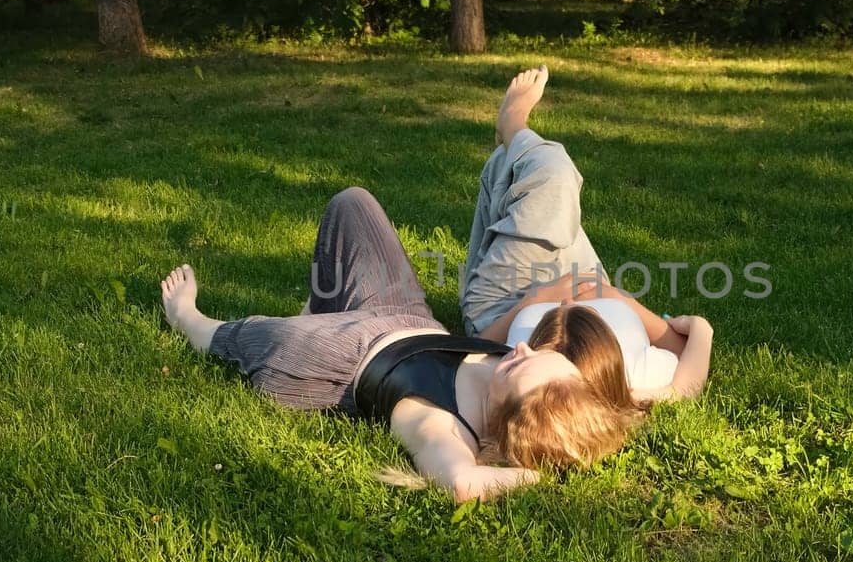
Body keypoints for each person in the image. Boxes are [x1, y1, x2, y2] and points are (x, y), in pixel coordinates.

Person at [159, 186, 641, 501]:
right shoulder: (530, 375)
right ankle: (323, 307)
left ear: (505, 418)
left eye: (520, 368)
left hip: (339, 360)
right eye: (542, 355)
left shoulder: (441, 426)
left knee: (264, 338)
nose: (523, 350)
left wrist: (535, 476)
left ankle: (191, 321)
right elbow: (647, 392)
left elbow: (459, 483)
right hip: (406, 314)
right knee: (353, 204)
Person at [460, 65, 715, 403]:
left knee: (552, 175)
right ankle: (511, 152)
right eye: (582, 321)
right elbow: (684, 380)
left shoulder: (522, 375)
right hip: (590, 282)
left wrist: (535, 301)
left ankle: (513, 124)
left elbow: (474, 353)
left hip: (504, 307)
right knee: (542, 200)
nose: (564, 306)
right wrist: (620, 299)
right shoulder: (629, 384)